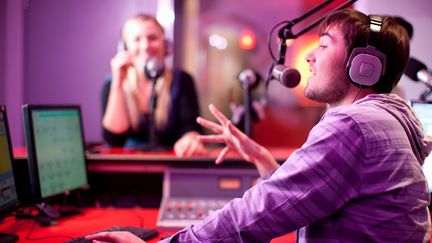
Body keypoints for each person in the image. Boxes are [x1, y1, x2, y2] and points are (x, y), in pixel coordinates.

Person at [88, 9, 431, 242]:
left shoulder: (353, 126)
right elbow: (303, 198)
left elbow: (255, 215)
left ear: (364, 68)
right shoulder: (386, 118)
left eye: (323, 46)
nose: (309, 57)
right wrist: (262, 158)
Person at [102, 14, 207, 156]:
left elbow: (191, 127)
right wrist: (118, 83)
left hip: (171, 164)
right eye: (137, 39)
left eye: (152, 38)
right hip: (129, 167)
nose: (145, 46)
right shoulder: (112, 83)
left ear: (166, 45)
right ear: (125, 47)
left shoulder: (182, 80)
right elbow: (114, 139)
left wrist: (190, 139)